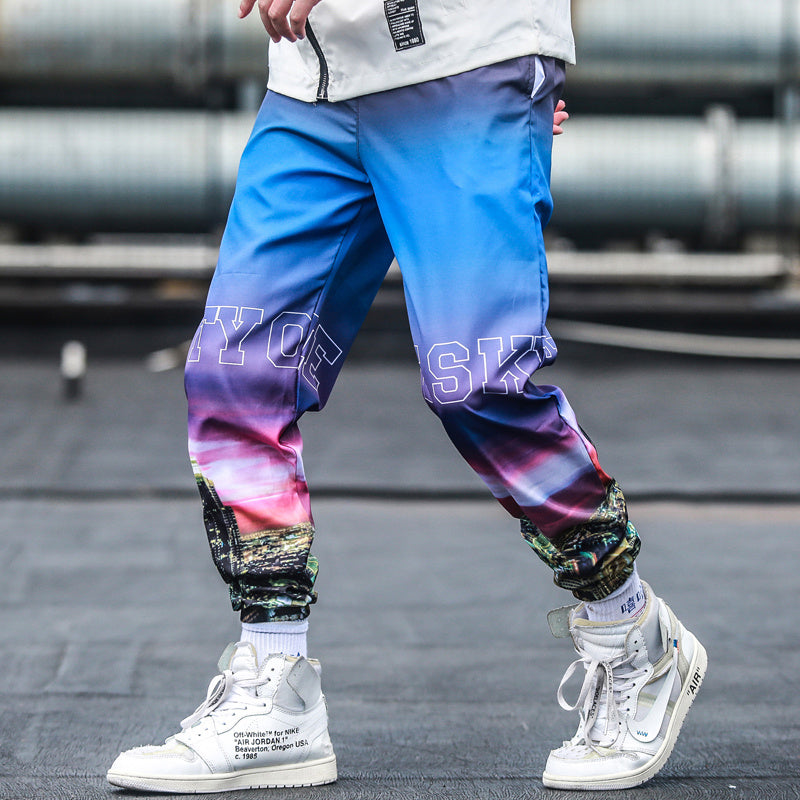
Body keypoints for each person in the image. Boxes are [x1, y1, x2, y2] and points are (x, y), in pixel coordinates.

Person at [107, 0, 706, 792]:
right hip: (314, 85)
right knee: (235, 374)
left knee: (478, 383)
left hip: (462, 59)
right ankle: (276, 686)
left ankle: (632, 630)